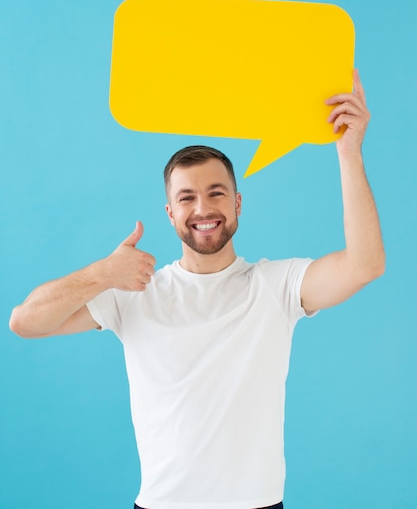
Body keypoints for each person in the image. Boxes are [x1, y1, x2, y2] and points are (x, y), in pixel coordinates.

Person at [10, 70, 385, 509]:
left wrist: (349, 153)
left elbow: (365, 264)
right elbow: (24, 322)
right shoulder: (132, 289)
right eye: (187, 197)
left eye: (216, 193)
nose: (203, 208)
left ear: (238, 203)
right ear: (170, 213)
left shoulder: (276, 286)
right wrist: (101, 274)